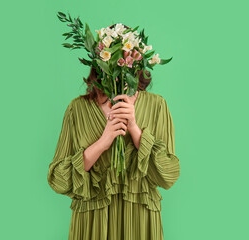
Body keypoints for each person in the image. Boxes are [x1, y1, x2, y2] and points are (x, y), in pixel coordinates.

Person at [47, 65, 181, 240]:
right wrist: (103, 142)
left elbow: (168, 174)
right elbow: (58, 179)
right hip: (92, 222)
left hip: (139, 220)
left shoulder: (157, 105)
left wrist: (134, 128)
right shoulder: (78, 109)